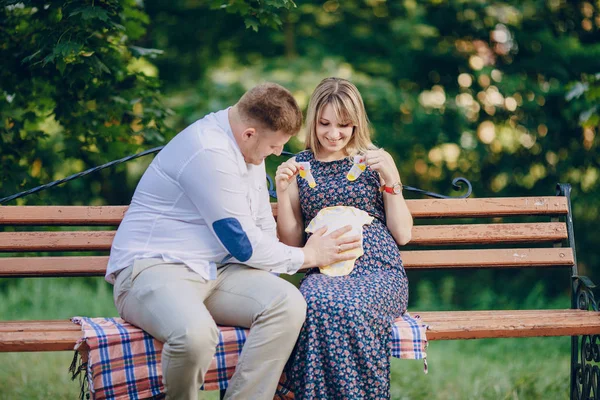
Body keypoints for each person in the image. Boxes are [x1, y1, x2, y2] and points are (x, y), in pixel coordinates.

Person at [105, 82, 362, 400]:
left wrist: (282, 263)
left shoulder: (249, 152)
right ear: (249, 133)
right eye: (275, 145)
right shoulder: (208, 151)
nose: (279, 153)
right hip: (154, 268)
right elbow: (243, 244)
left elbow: (260, 229)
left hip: (217, 272)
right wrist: (309, 256)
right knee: (195, 335)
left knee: (288, 304)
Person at [275, 77, 413, 399]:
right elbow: (293, 242)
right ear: (313, 121)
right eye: (324, 124)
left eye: (344, 125)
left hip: (377, 268)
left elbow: (403, 235)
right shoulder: (301, 166)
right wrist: (283, 193)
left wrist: (392, 180)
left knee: (348, 307)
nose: (333, 134)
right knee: (315, 304)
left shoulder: (374, 159)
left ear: (356, 123)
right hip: (323, 268)